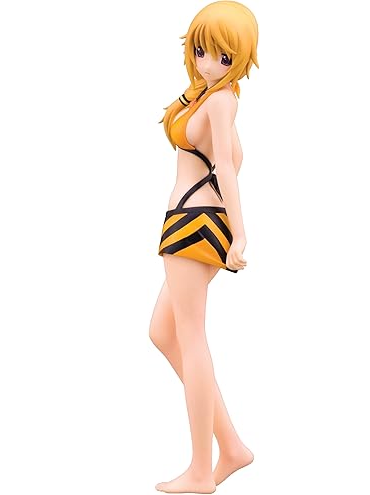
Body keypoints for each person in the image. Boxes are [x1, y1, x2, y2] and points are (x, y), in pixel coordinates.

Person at [149, 1, 259, 493]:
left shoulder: (221, 100)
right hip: (188, 219)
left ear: (238, 58)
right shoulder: (205, 94)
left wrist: (241, 233)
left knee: (191, 338)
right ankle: (231, 446)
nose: (207, 62)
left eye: (222, 55)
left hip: (195, 223)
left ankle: (201, 470)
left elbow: (227, 168)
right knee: (163, 332)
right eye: (200, 50)